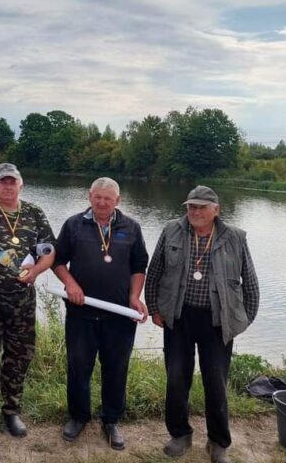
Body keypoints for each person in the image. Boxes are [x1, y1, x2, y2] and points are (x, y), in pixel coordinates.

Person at [146, 186, 259, 463]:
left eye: (202, 207)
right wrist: (153, 309)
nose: (195, 212)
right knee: (176, 378)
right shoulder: (171, 230)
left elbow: (251, 283)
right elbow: (155, 271)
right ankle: (180, 434)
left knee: (216, 382)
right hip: (178, 317)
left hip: (218, 322)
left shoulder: (235, 237)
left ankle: (218, 442)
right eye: (191, 206)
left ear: (216, 209)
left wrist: (243, 320)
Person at [53, 177, 149, 450]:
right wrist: (70, 283)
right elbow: (57, 260)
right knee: (78, 367)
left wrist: (134, 296)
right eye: (97, 197)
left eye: (108, 198)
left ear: (118, 200)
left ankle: (111, 420)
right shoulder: (73, 224)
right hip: (81, 314)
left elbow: (140, 265)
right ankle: (78, 417)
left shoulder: (131, 227)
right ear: (89, 196)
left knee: (116, 369)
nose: (102, 202)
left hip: (119, 315)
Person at [0, 163, 56, 438]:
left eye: (12, 182)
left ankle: (12, 410)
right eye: (2, 182)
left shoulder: (34, 214)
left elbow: (50, 251)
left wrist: (36, 271)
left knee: (19, 356)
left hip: (22, 302)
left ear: (21, 184)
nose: (7, 186)